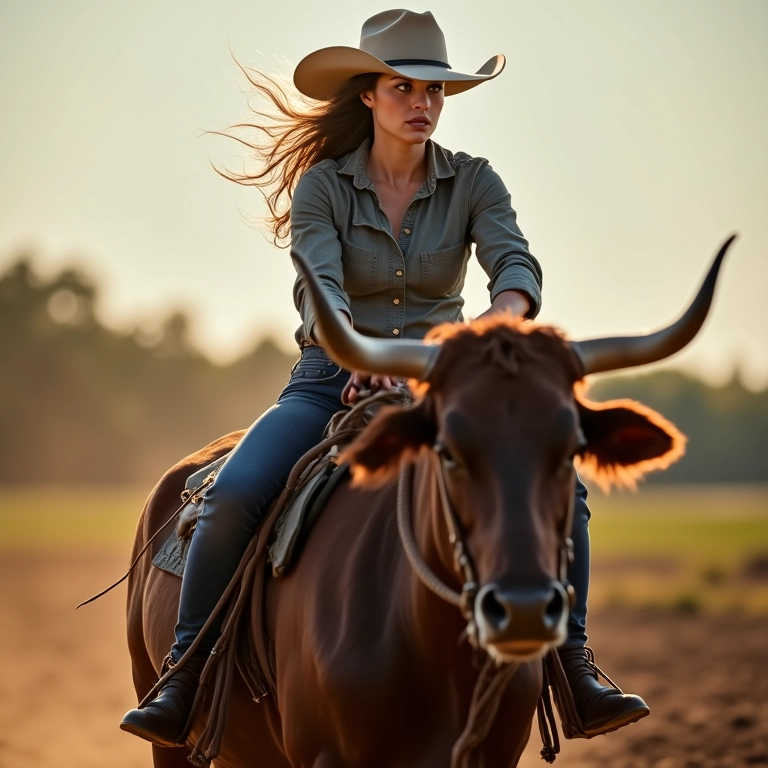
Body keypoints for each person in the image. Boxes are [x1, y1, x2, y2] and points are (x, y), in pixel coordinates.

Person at [120, 8, 649, 748]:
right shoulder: (323, 188)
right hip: (327, 381)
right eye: (404, 87)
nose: (423, 103)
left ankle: (574, 663)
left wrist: (502, 320)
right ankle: (185, 674)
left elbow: (516, 263)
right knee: (233, 495)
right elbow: (319, 289)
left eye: (436, 90)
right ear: (367, 94)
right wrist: (363, 356)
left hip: (442, 383)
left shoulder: (474, 180)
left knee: (571, 491)